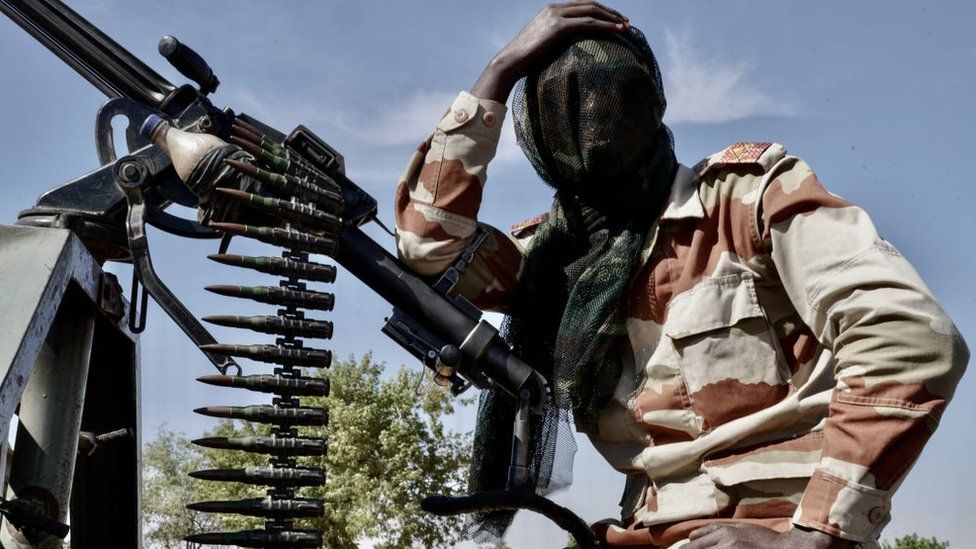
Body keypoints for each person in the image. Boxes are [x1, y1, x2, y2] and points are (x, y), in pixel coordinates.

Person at [393, 3, 968, 548]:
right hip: (640, 529)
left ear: (646, 101)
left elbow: (909, 337)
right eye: (557, 105)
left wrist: (819, 531)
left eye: (602, 99)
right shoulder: (551, 261)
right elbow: (428, 246)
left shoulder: (748, 201)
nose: (583, 118)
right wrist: (496, 74)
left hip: (769, 523)